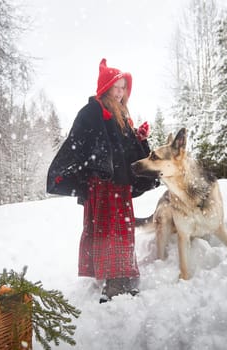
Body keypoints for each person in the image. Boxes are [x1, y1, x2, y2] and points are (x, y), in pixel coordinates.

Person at [46, 58, 158, 303]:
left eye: (123, 88)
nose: (120, 93)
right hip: (104, 184)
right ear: (105, 88)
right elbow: (79, 143)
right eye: (116, 88)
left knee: (120, 229)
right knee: (109, 229)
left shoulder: (121, 115)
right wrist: (97, 165)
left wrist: (139, 138)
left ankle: (121, 275)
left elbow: (125, 149)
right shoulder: (92, 111)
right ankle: (114, 282)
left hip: (119, 183)